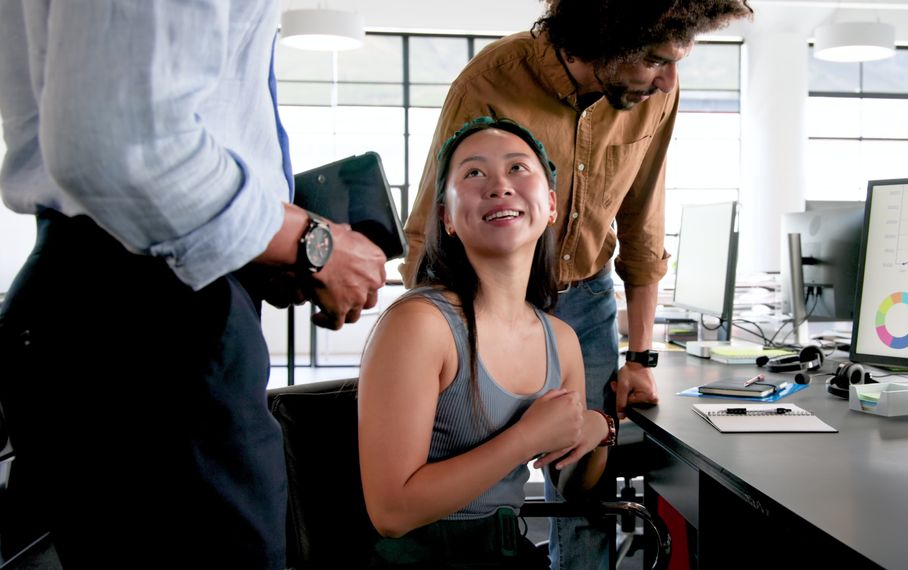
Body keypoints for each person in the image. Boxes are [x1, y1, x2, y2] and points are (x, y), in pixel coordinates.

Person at [0, 2, 385, 567]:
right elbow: (122, 141)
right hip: (151, 320)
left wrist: (255, 246)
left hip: (122, 302)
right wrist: (312, 242)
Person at [398, 1, 754, 567]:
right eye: (656, 62)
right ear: (608, 42)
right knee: (470, 467)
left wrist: (641, 356)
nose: (667, 80)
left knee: (588, 483)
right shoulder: (492, 80)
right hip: (484, 299)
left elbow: (643, 226)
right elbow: (435, 216)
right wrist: (423, 336)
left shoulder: (657, 92)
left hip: (586, 298)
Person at [358, 117, 616, 568]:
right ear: (447, 217)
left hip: (506, 551)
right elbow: (391, 513)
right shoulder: (420, 324)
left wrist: (597, 431)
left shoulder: (562, 340)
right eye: (474, 173)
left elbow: (572, 484)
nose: (499, 186)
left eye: (519, 168)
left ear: (551, 204)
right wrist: (525, 438)